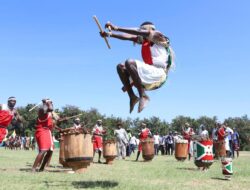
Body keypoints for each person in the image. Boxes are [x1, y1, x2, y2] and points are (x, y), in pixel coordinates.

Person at [100, 21, 174, 113]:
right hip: (149, 75)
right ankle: (132, 97)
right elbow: (128, 37)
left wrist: (116, 28)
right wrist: (109, 34)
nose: (140, 34)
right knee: (120, 67)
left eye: (142, 31)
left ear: (149, 29)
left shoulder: (157, 35)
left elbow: (137, 31)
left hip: (159, 74)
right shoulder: (145, 40)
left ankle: (143, 96)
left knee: (130, 62)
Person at [32, 98, 61, 172]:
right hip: (42, 131)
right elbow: (50, 108)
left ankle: (42, 168)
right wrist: (47, 103)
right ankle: (33, 169)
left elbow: (58, 119)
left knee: (50, 151)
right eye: (50, 103)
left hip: (47, 132)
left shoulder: (50, 113)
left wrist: (61, 119)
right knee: (43, 150)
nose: (51, 104)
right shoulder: (42, 110)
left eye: (51, 103)